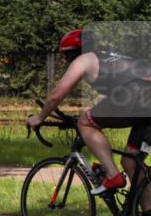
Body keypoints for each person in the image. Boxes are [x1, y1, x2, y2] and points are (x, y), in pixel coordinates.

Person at [27, 29, 151, 195]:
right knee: (131, 163)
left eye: (66, 55)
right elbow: (117, 91)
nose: (65, 60)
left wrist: (40, 117)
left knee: (85, 121)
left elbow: (56, 96)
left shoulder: (84, 60)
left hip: (140, 95)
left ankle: (112, 175)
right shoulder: (109, 57)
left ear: (75, 51)